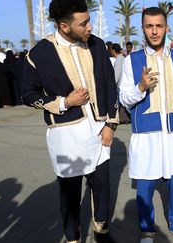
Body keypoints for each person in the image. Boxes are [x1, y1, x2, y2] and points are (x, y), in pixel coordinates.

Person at [21, 0, 118, 242]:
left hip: (99, 131)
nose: (89, 27)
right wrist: (64, 102)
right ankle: (73, 237)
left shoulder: (96, 44)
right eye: (83, 23)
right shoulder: (39, 54)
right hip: (66, 137)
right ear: (64, 26)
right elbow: (28, 95)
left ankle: (101, 231)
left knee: (102, 188)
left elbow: (109, 83)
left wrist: (110, 124)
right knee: (70, 195)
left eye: (89, 21)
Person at [118, 7, 173, 243]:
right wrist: (140, 87)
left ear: (166, 28)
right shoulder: (132, 60)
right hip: (146, 133)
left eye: (159, 25)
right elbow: (124, 98)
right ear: (142, 28)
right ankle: (147, 230)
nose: (154, 31)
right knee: (145, 186)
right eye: (149, 26)